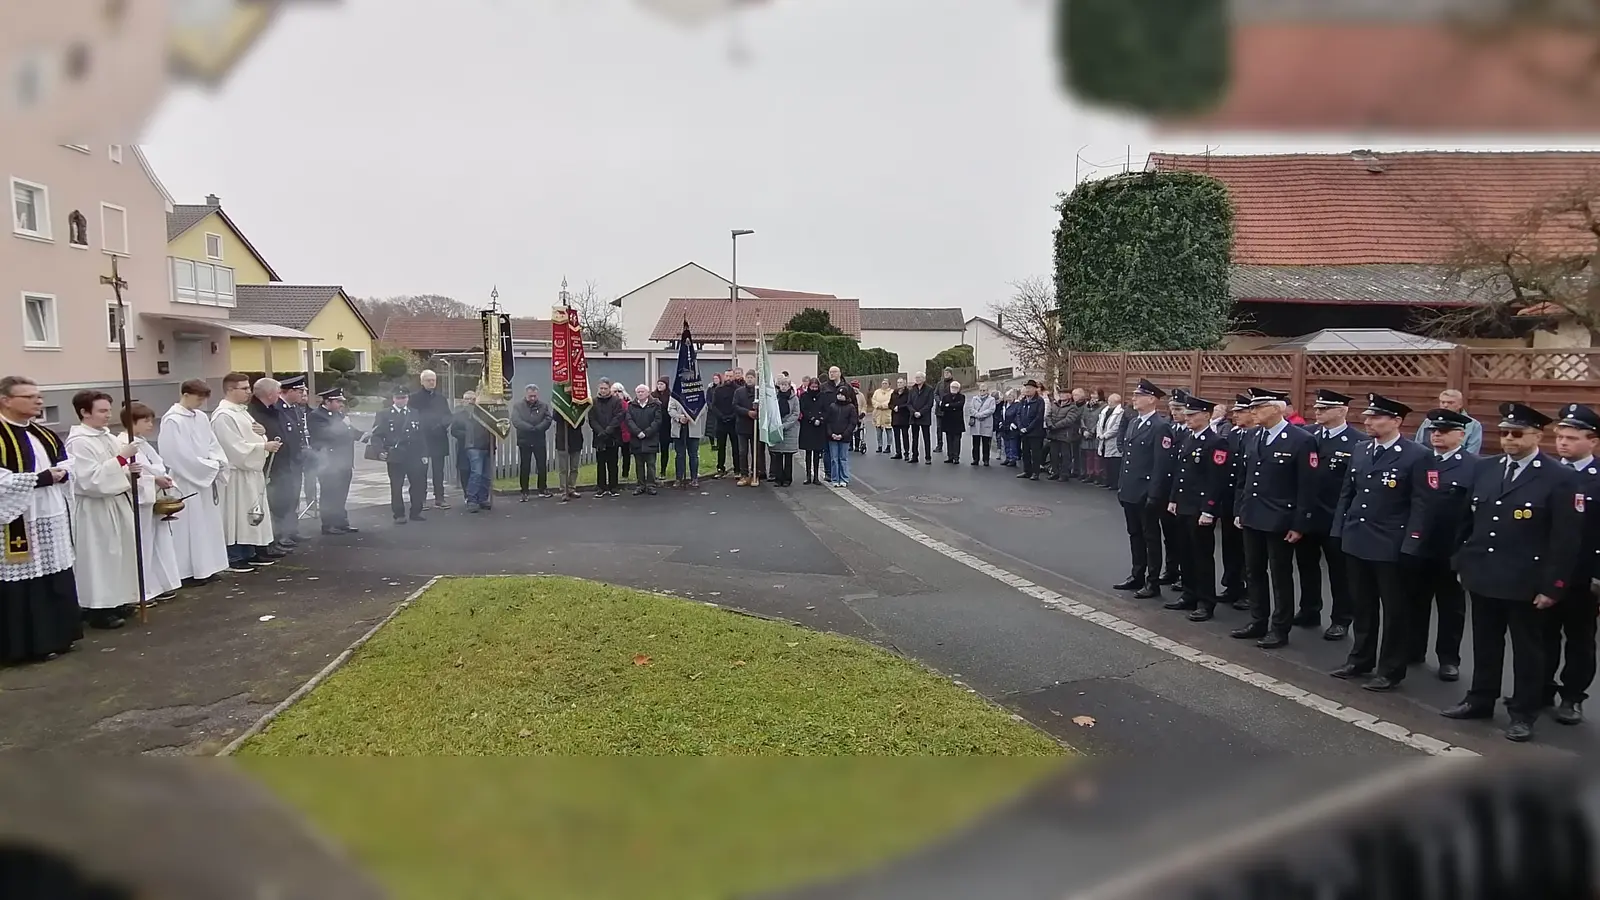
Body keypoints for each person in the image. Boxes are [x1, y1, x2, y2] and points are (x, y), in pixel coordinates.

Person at [1442, 402, 1585, 743]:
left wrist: (1554, 586)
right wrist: (1461, 562)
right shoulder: (1485, 469)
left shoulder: (1559, 477)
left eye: (1517, 433)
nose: (1508, 439)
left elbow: (1565, 539)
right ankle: (1480, 699)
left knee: (1528, 653)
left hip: (1526, 581)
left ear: (1537, 435)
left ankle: (1523, 712)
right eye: (1504, 433)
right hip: (1484, 574)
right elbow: (1467, 521)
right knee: (1485, 644)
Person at [1330, 394, 1428, 693]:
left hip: (1390, 543)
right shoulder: (1361, 449)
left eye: (1376, 417)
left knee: (1395, 610)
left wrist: (1412, 543)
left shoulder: (1416, 455)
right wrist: (1339, 530)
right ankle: (1360, 658)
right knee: (1363, 604)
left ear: (1396, 421)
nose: (1368, 422)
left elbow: (1421, 504)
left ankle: (1390, 668)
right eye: (1368, 417)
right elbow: (1348, 493)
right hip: (1358, 538)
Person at [0, 374, 82, 664]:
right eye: (29, 396)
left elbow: (66, 460)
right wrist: (39, 479)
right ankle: (25, 646)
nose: (38, 401)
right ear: (6, 401)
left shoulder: (41, 432)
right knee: (23, 582)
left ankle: (59, 636)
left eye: (39, 396)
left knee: (55, 574)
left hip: (50, 514)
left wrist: (64, 472)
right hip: (16, 519)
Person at [1232, 388, 1318, 649]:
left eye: (1259, 407)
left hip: (1281, 518)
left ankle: (1280, 628)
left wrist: (1299, 523)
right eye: (1252, 408)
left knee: (1280, 574)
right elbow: (1243, 478)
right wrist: (1239, 510)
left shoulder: (1300, 439)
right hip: (1252, 514)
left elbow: (1307, 486)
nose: (1253, 412)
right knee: (1254, 570)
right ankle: (1258, 619)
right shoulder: (1251, 436)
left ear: (1277, 409)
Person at [1400, 407, 1476, 683]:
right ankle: (1413, 648)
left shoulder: (1473, 466)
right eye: (1434, 431)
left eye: (1444, 432)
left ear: (1460, 434)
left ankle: (1448, 658)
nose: (1437, 436)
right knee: (1415, 601)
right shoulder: (1420, 462)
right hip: (1419, 545)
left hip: (1451, 547)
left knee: (1451, 608)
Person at [65, 391, 138, 629]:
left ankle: (117, 600)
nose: (108, 416)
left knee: (120, 553)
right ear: (85, 412)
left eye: (109, 410)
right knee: (100, 557)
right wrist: (121, 460)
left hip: (116, 502)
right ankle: (97, 607)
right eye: (102, 411)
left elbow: (119, 468)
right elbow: (88, 479)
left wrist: (130, 469)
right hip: (95, 507)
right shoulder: (79, 442)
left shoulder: (107, 437)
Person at [1546, 402, 1599, 725]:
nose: (1563, 443)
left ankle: (1572, 697)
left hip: (1583, 576)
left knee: (1579, 641)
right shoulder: (1548, 474)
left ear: (1592, 440)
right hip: (1547, 573)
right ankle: (1540, 689)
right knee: (1541, 636)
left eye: (1572, 437)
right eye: (1560, 436)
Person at [1297, 389, 1365, 640]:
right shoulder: (1308, 436)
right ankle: (1309, 609)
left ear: (1342, 411)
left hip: (1336, 517)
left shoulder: (1357, 441)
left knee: (1339, 572)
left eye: (1324, 408)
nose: (1318, 412)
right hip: (1308, 514)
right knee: (1306, 566)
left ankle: (1341, 618)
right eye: (1317, 408)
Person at [1164, 392, 1229, 621]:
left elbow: (1215, 479)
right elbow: (1180, 473)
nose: (1187, 418)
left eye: (1192, 414)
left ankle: (1205, 601)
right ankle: (1189, 594)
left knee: (1202, 556)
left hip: (1200, 508)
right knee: (1185, 553)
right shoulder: (1189, 438)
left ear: (1206, 415)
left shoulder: (1216, 441)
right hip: (1183, 504)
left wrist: (1209, 509)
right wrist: (1173, 499)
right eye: (1186, 414)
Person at [158, 380, 230, 583]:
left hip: (205, 477)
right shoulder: (172, 419)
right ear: (186, 394)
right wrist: (206, 467)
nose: (201, 403)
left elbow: (212, 443)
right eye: (198, 398)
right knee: (190, 527)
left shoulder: (200, 417)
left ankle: (208, 567)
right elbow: (174, 453)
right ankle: (188, 571)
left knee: (207, 524)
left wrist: (218, 462)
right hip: (186, 478)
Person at [212, 373, 279, 569]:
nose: (249, 392)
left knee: (251, 512)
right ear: (230, 390)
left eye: (249, 388)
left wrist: (264, 437)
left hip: (251, 472)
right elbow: (233, 447)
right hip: (237, 474)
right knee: (237, 514)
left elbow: (255, 434)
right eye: (244, 388)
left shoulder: (241, 411)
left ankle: (250, 551)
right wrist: (262, 447)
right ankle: (235, 556)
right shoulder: (223, 415)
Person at [120, 402, 182, 605]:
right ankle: (138, 592)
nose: (150, 424)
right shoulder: (124, 443)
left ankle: (155, 585)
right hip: (138, 501)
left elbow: (156, 466)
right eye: (145, 420)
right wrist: (154, 480)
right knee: (141, 545)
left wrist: (162, 479)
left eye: (150, 419)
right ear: (131, 423)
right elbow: (129, 473)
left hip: (152, 499)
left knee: (156, 544)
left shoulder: (143, 443)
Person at [1113, 380, 1169, 598]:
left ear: (1152, 399)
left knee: (1150, 537)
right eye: (1134, 394)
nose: (1134, 398)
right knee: (1134, 534)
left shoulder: (1160, 425)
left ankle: (1152, 581)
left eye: (1139, 395)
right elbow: (1127, 458)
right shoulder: (1135, 423)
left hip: (1146, 492)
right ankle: (1137, 574)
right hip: (1130, 490)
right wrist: (1122, 486)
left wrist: (1154, 494)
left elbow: (1160, 464)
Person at [247, 377, 297, 554]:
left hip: (282, 462)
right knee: (270, 502)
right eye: (277, 392)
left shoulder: (273, 410)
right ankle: (268, 542)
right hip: (268, 464)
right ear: (269, 394)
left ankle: (277, 537)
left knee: (281, 501)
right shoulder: (254, 413)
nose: (279, 395)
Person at [306, 387, 362, 534]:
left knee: (341, 493)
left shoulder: (338, 414)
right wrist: (346, 426)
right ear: (327, 401)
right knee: (329, 493)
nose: (341, 404)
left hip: (344, 461)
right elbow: (327, 435)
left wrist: (364, 436)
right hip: (328, 463)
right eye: (337, 401)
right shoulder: (316, 416)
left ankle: (341, 521)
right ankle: (328, 524)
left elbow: (350, 431)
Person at [372, 386, 427, 524]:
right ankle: (398, 513)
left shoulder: (414, 413)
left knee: (417, 485)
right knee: (396, 486)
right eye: (398, 398)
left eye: (404, 398)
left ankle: (416, 511)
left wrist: (424, 453)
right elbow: (377, 435)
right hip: (395, 455)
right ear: (393, 399)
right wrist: (380, 451)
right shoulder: (384, 414)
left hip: (413, 454)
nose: (401, 400)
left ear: (408, 399)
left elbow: (421, 435)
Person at [1217, 396, 1253, 606]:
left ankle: (1249, 590)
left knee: (1248, 550)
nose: (1235, 415)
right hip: (1230, 498)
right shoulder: (1233, 434)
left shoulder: (1255, 436)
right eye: (1235, 411)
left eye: (1241, 411)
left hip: (1247, 500)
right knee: (1230, 545)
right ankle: (1232, 584)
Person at [409, 370, 452, 509]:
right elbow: (412, 416)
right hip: (422, 439)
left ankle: (439, 498)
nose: (431, 382)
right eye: (428, 380)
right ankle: (421, 499)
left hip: (439, 437)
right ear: (422, 381)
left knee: (439, 470)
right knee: (421, 470)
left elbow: (448, 415)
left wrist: (443, 424)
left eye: (433, 380)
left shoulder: (441, 398)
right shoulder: (414, 398)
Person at [279, 375, 312, 544]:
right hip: (285, 462)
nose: (303, 394)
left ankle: (292, 530)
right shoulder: (279, 408)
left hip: (296, 460)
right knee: (284, 497)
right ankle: (282, 534)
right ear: (290, 391)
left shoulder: (294, 408)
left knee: (294, 497)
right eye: (300, 391)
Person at [510, 384, 553, 501]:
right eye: (530, 396)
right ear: (526, 394)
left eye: (534, 396)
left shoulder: (543, 406)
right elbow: (516, 420)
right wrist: (529, 428)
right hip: (525, 439)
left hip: (539, 439)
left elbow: (548, 419)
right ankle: (524, 491)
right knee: (525, 466)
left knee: (542, 465)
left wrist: (538, 428)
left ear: (537, 394)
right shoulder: (518, 406)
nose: (532, 398)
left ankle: (542, 489)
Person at [1415, 389, 1483, 455]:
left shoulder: (1473, 425)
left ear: (1460, 404)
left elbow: (1472, 452)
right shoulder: (1428, 421)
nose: (1445, 405)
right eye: (1443, 402)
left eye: (1450, 402)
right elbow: (1418, 444)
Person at [459, 394, 496, 512]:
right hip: (474, 445)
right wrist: (475, 403)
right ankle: (472, 499)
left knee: (486, 475)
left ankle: (483, 498)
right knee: (477, 473)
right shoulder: (471, 410)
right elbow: (468, 415)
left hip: (487, 445)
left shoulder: (490, 411)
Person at [588, 380, 625, 498]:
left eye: (605, 388)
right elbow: (592, 419)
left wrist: (609, 430)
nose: (603, 391)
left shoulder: (616, 401)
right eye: (601, 388)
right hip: (599, 437)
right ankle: (601, 487)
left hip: (612, 436)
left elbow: (619, 417)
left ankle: (613, 487)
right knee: (600, 464)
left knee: (613, 463)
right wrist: (600, 431)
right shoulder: (593, 402)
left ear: (609, 389)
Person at [666, 385, 707, 490]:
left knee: (693, 455)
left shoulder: (697, 393)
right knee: (680, 455)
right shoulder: (675, 394)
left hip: (693, 428)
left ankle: (694, 478)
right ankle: (679, 478)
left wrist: (691, 416)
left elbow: (703, 408)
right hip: (679, 429)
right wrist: (679, 417)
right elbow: (670, 409)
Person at [626, 384, 661, 496]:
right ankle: (640, 485)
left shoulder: (655, 405)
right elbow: (629, 420)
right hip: (636, 439)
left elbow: (657, 421)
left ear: (648, 393)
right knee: (639, 464)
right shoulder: (631, 405)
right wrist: (638, 432)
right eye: (638, 392)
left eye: (642, 392)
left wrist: (646, 433)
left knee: (651, 464)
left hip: (651, 438)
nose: (640, 394)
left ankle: (651, 485)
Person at [769, 376, 800, 486]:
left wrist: (785, 425)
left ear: (789, 386)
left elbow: (796, 414)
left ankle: (787, 479)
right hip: (777, 428)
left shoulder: (794, 398)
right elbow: (771, 411)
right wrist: (776, 423)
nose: (783, 387)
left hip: (790, 430)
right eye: (781, 385)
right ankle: (778, 478)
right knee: (777, 455)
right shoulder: (775, 398)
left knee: (788, 456)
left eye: (785, 385)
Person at [1012, 380, 1046, 480]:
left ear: (1035, 389)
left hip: (1035, 432)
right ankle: (1027, 471)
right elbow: (1018, 414)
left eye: (1030, 388)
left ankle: (1035, 472)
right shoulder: (1023, 401)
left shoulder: (1039, 401)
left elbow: (1038, 417)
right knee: (1025, 452)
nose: (1028, 390)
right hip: (1023, 431)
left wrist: (1028, 428)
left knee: (1035, 453)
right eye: (1026, 388)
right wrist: (1020, 427)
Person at [825, 385, 858, 487]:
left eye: (842, 395)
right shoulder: (832, 406)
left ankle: (844, 478)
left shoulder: (851, 407)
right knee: (834, 459)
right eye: (838, 394)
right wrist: (831, 434)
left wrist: (843, 435)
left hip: (845, 438)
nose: (840, 396)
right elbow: (828, 422)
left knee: (843, 458)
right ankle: (835, 478)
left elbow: (852, 423)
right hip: (832, 437)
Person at [1045, 388, 1079, 480]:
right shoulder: (1055, 404)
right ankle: (1055, 472)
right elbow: (1048, 415)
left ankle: (1064, 474)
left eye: (1064, 394)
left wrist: (1055, 426)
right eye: (1060, 394)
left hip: (1065, 434)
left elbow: (1069, 420)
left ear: (1069, 396)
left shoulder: (1073, 407)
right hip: (1053, 433)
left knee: (1065, 455)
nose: (1061, 395)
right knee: (1054, 454)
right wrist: (1050, 424)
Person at [800, 378, 829, 485]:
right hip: (808, 426)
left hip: (819, 427)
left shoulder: (823, 397)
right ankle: (808, 476)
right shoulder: (804, 396)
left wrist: (820, 419)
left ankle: (816, 477)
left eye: (816, 387)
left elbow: (826, 410)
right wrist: (812, 419)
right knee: (808, 453)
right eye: (812, 387)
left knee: (817, 453)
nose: (814, 389)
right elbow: (803, 409)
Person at [732, 370, 759, 486]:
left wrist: (757, 411)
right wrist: (748, 412)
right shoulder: (739, 392)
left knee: (755, 452)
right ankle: (744, 475)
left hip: (755, 427)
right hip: (742, 426)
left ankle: (755, 474)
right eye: (748, 377)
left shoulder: (759, 392)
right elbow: (735, 406)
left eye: (752, 377)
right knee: (742, 452)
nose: (749, 379)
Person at [711, 370, 739, 478]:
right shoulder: (718, 390)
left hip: (734, 422)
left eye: (731, 376)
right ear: (724, 376)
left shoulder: (738, 390)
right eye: (727, 376)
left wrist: (732, 416)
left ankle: (737, 469)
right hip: (721, 422)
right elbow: (713, 406)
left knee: (735, 447)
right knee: (721, 447)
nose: (728, 378)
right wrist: (721, 416)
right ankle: (720, 468)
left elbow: (738, 405)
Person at [553, 410, 585, 502]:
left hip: (575, 439)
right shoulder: (559, 403)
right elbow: (555, 417)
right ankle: (564, 490)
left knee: (574, 467)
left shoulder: (578, 403)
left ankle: (572, 488)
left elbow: (581, 421)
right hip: (562, 440)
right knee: (563, 469)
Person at [905, 373, 936, 465]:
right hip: (914, 417)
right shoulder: (912, 389)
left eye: (919, 377)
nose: (917, 379)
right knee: (915, 438)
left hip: (924, 417)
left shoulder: (929, 389)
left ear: (924, 379)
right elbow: (909, 403)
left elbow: (929, 404)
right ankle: (914, 456)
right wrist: (914, 412)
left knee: (926, 438)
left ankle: (928, 457)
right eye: (916, 377)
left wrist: (920, 412)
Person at [1096, 392, 1125, 489]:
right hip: (1103, 440)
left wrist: (1105, 435)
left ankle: (1114, 483)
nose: (1109, 402)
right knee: (1106, 462)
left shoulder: (1120, 412)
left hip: (1113, 441)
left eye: (1110, 401)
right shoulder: (1105, 411)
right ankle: (1107, 481)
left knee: (1114, 464)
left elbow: (1117, 427)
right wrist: (1099, 434)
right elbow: (1099, 423)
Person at [937, 380, 967, 464]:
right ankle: (950, 456)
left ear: (959, 389)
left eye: (955, 388)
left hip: (957, 422)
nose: (953, 389)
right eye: (952, 387)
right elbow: (942, 407)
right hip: (948, 421)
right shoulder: (946, 397)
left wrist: (949, 405)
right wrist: (952, 407)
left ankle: (956, 457)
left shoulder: (962, 397)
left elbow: (960, 405)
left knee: (957, 440)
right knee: (949, 439)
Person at [966, 384, 996, 466]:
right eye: (981, 390)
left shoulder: (991, 399)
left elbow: (991, 410)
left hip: (986, 422)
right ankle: (975, 459)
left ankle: (986, 459)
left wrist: (981, 414)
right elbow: (971, 408)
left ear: (987, 391)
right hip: (976, 423)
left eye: (984, 390)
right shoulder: (974, 399)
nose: (982, 392)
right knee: (975, 443)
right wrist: (977, 414)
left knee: (986, 443)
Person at [652, 379, 673, 484]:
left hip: (666, 426)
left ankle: (663, 470)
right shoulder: (653, 395)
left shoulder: (670, 395)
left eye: (662, 384)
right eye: (658, 384)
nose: (659, 386)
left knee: (665, 449)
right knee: (653, 449)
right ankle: (652, 472)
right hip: (655, 427)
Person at [933, 367, 956, 456]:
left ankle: (951, 448)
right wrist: (939, 401)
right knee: (939, 428)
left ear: (951, 374)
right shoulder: (940, 383)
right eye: (945, 373)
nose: (946, 374)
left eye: (948, 373)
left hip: (949, 410)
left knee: (949, 429)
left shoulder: (954, 383)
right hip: (939, 409)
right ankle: (939, 445)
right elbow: (935, 394)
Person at [889, 378, 911, 460]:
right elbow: (889, 404)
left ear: (905, 384)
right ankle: (898, 452)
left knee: (905, 436)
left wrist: (900, 407)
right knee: (896, 436)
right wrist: (893, 407)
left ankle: (906, 453)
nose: (899, 384)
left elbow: (908, 404)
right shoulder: (894, 393)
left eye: (901, 382)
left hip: (904, 417)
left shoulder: (908, 393)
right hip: (895, 418)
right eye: (898, 382)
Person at [871, 379, 894, 453]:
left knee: (888, 431)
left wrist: (883, 405)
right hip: (878, 414)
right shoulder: (877, 392)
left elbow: (891, 401)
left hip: (887, 414)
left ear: (889, 384)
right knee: (878, 432)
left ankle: (888, 446)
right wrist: (878, 405)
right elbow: (873, 400)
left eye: (885, 383)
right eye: (883, 383)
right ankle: (879, 446)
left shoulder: (892, 392)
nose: (884, 384)